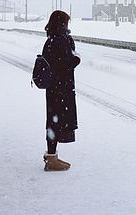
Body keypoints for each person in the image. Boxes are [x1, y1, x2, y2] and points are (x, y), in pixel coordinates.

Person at [41, 10, 81, 171]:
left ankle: (51, 156)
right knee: (56, 122)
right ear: (62, 23)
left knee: (53, 121)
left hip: (54, 88)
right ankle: (51, 159)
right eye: (66, 22)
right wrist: (77, 58)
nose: (67, 25)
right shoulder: (60, 41)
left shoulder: (51, 39)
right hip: (61, 89)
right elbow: (66, 63)